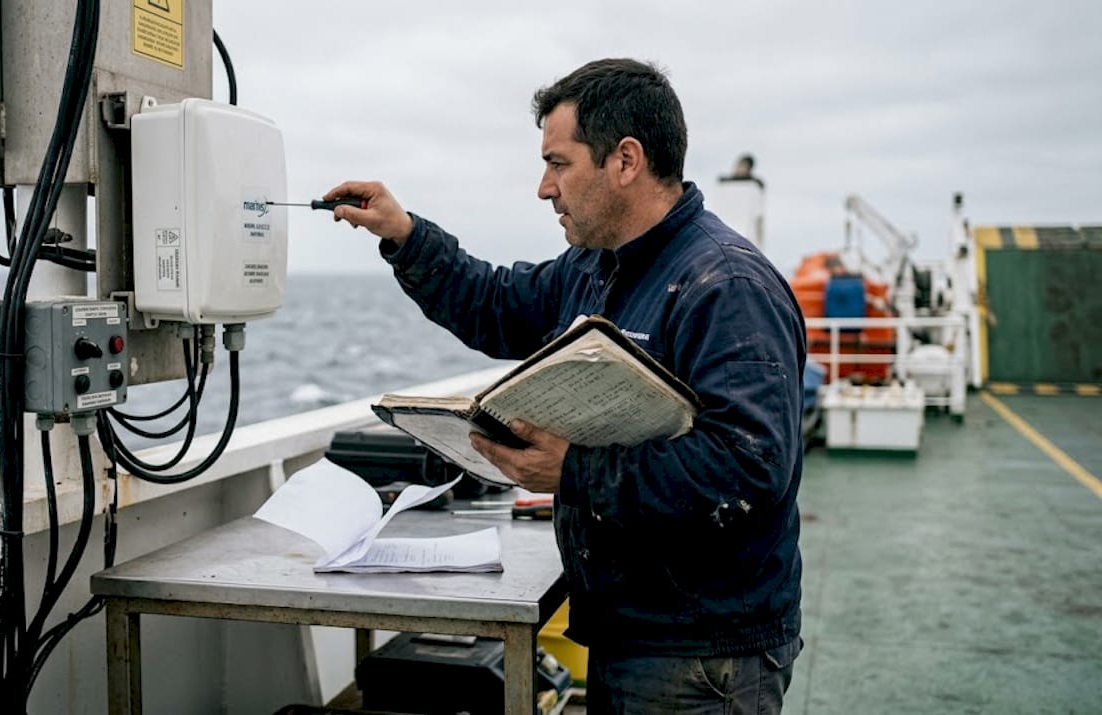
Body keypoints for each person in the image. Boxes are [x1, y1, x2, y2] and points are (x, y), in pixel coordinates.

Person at [325, 58, 805, 714]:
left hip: (702, 655)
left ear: (625, 160)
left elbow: (747, 470)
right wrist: (405, 237)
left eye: (558, 162)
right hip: (630, 630)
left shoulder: (727, 288)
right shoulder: (595, 268)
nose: (544, 188)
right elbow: (495, 302)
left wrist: (576, 469)